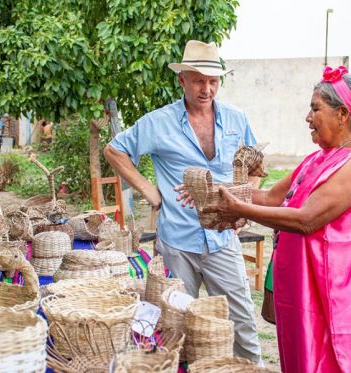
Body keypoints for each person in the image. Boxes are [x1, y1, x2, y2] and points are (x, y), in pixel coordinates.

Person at [202, 66, 351, 372]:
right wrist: (216, 189)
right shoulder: (317, 158)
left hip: (334, 297)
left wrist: (238, 210)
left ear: (342, 115)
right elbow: (269, 198)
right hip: (306, 294)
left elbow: (306, 220)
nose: (308, 117)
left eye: (316, 108)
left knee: (331, 360)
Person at [104, 40, 261, 363]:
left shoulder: (236, 118)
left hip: (223, 240)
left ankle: (251, 369)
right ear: (182, 80)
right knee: (176, 324)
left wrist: (244, 200)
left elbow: (256, 165)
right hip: (177, 242)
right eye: (199, 80)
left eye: (213, 81)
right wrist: (149, 190)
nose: (207, 89)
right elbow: (114, 149)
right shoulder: (158, 122)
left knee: (240, 321)